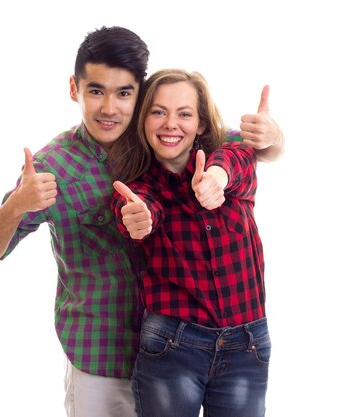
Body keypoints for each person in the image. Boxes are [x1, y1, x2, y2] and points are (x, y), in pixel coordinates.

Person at [0, 26, 283, 417]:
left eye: (124, 93)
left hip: (186, 346)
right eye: (96, 91)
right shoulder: (54, 167)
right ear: (74, 88)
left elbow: (246, 150)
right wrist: (16, 205)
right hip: (106, 363)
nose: (109, 108)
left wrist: (272, 137)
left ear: (142, 94)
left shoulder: (168, 138)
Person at [111, 69, 271, 417]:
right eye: (158, 112)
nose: (171, 124)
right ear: (144, 121)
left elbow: (237, 160)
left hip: (247, 345)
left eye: (184, 113)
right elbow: (137, 207)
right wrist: (138, 218)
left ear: (200, 124)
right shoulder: (138, 187)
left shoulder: (231, 161)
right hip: (172, 344)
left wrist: (216, 178)